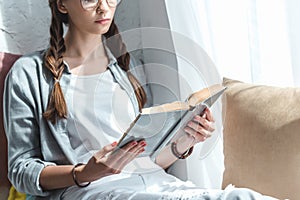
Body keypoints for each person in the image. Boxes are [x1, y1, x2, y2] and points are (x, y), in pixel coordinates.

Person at [3, 0, 277, 199]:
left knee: (243, 197)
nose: (103, 7)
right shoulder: (29, 74)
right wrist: (85, 173)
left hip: (155, 184)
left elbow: (144, 158)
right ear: (62, 4)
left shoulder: (129, 67)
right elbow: (21, 169)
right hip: (94, 192)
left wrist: (184, 142)